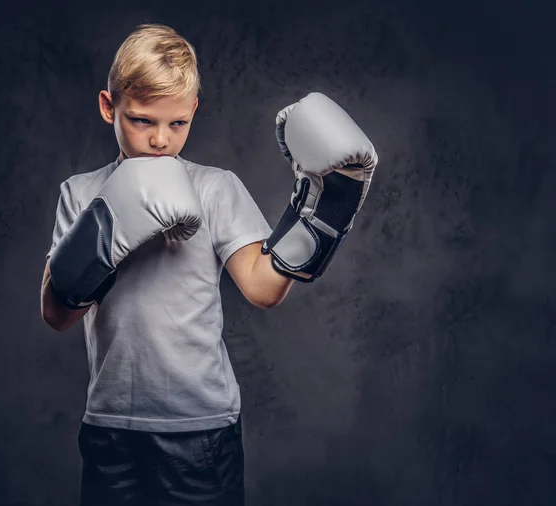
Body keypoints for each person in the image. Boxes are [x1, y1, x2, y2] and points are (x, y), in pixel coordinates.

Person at [40, 23, 377, 506]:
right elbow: (56, 314)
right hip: (112, 425)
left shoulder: (216, 188)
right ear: (108, 106)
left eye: (177, 123)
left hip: (200, 430)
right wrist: (105, 238)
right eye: (141, 121)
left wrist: (323, 211)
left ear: (193, 110)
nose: (160, 140)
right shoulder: (80, 192)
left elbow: (262, 289)